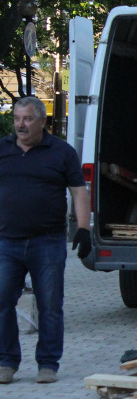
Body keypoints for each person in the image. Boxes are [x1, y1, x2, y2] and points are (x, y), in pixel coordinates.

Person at [0, 97, 92, 384]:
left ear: (42, 121)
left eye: (27, 119)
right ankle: (6, 362)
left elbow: (79, 190)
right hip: (6, 242)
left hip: (48, 242)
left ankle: (48, 363)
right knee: (2, 300)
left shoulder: (61, 152)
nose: (20, 124)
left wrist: (84, 228)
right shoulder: (2, 149)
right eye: (16, 118)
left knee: (50, 303)